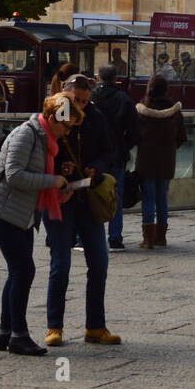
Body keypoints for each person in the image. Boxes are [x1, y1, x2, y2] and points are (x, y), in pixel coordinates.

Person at [0, 91, 75, 355]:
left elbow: (34, 179)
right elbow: (14, 176)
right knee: (24, 271)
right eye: (66, 125)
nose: (67, 132)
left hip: (21, 214)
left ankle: (5, 332)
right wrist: (52, 181)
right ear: (54, 117)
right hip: (3, 212)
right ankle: (18, 336)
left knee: (18, 271)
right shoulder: (27, 134)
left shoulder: (45, 139)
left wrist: (60, 188)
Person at [43, 73, 121, 347]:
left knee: (99, 262)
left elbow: (108, 151)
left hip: (87, 196)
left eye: (86, 100)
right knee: (60, 264)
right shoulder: (56, 113)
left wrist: (96, 167)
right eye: (77, 100)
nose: (82, 105)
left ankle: (95, 326)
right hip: (60, 197)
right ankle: (55, 327)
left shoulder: (96, 116)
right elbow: (43, 153)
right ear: (65, 94)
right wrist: (58, 169)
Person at [91, 65, 141, 250]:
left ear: (98, 78)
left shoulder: (91, 99)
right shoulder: (124, 99)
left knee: (92, 194)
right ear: (115, 78)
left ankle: (88, 236)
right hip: (117, 154)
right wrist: (124, 145)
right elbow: (135, 131)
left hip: (96, 155)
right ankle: (115, 237)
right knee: (116, 196)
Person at [136, 74, 186, 246]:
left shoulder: (142, 110)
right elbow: (181, 137)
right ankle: (161, 236)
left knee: (148, 198)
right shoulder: (175, 111)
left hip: (146, 160)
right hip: (167, 161)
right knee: (162, 198)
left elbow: (135, 136)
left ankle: (148, 238)